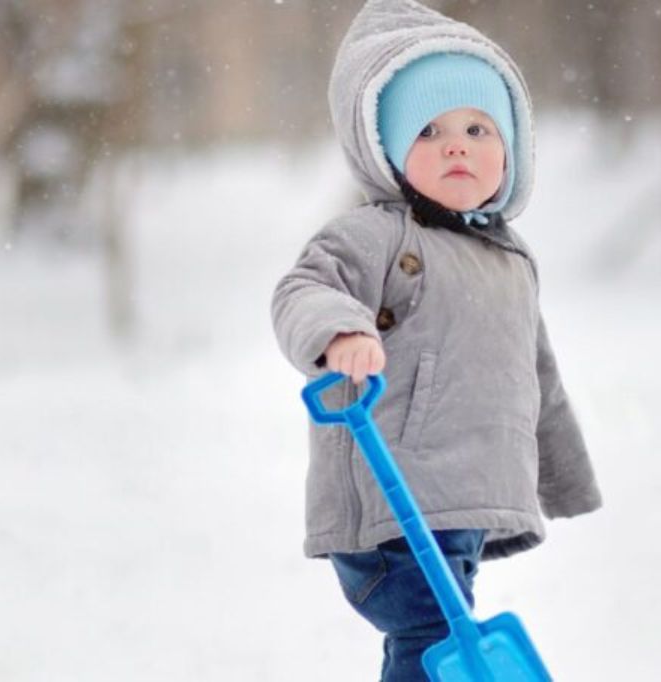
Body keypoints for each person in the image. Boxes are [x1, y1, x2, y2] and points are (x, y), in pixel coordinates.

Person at [271, 1, 602, 678]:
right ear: (385, 150)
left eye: (478, 128)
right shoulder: (378, 236)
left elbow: (536, 379)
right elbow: (303, 289)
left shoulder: (510, 260)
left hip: (459, 502)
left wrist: (563, 477)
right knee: (429, 635)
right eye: (429, 130)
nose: (457, 144)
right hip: (393, 498)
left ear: (512, 148)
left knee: (438, 639)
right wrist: (342, 333)